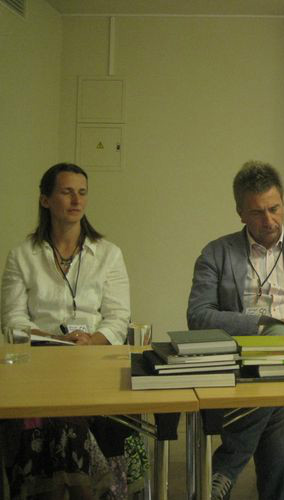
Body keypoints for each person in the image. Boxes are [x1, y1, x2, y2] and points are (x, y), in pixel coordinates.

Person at [187, 160, 284, 500]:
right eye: (257, 212)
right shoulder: (216, 253)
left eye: (274, 209)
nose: (269, 221)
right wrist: (264, 326)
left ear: (283, 204)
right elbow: (198, 316)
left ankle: (224, 470)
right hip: (237, 363)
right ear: (240, 212)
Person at [1, 162, 131, 499]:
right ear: (45, 199)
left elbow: (118, 318)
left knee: (73, 412)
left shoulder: (108, 254)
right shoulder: (22, 255)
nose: (76, 200)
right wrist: (56, 341)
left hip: (94, 362)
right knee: (43, 411)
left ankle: (77, 487)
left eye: (82, 192)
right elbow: (12, 322)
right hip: (39, 364)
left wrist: (90, 342)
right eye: (67, 192)